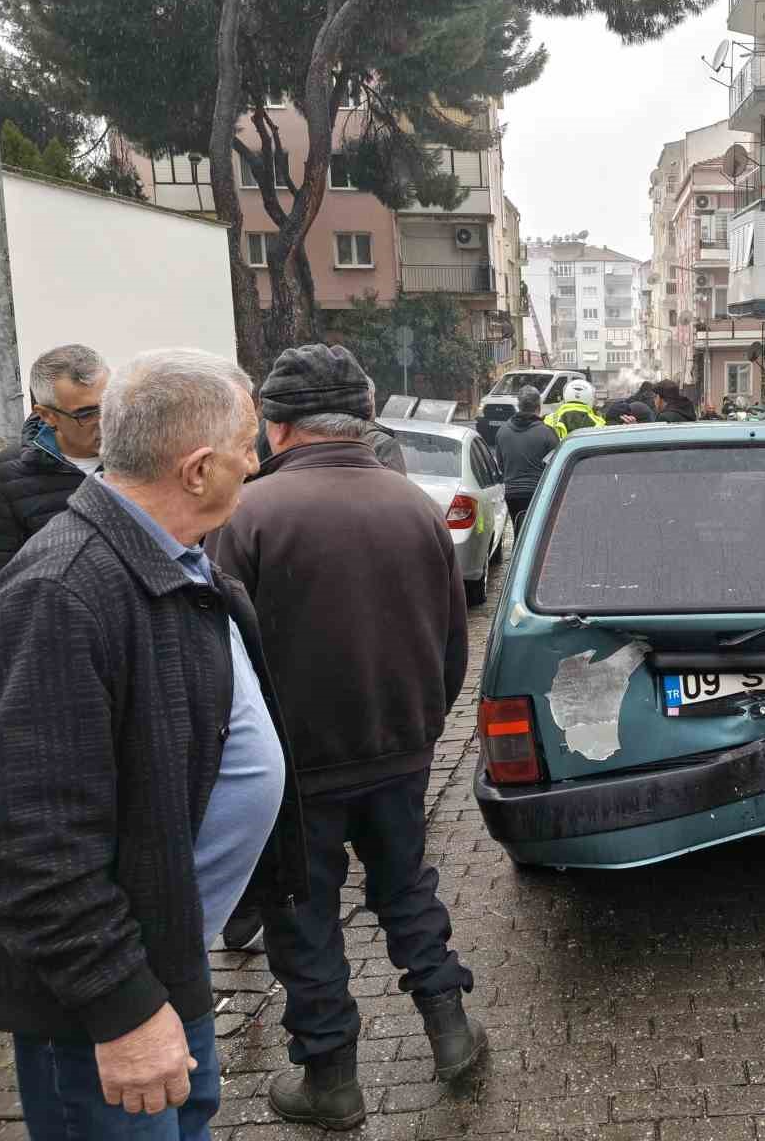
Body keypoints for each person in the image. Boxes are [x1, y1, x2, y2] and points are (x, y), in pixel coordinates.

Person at [0, 349, 303, 1141]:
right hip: (105, 1007)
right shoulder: (58, 595)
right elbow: (26, 845)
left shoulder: (170, 558)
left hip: (164, 958)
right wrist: (124, 1009)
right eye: (245, 446)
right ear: (198, 469)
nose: (256, 462)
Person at [208, 345, 482, 1129]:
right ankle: (451, 1031)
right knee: (406, 887)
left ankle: (331, 1079)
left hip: (293, 769)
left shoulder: (248, 514)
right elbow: (452, 640)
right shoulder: (415, 505)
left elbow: (219, 657)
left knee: (302, 915)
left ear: (277, 426)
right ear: (364, 419)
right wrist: (420, 730)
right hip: (399, 749)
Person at [0, 344, 110, 581]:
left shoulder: (149, 452)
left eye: (111, 404)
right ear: (47, 415)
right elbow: (1, 577)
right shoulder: (10, 473)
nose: (106, 420)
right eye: (87, 414)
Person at [499, 385, 560, 527]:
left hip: (512, 493)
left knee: (518, 531)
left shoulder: (502, 432)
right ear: (539, 406)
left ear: (518, 406)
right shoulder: (547, 433)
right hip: (539, 493)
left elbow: (501, 465)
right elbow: (556, 466)